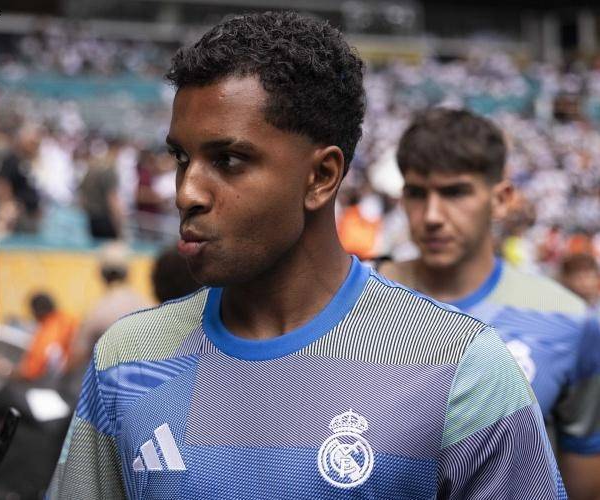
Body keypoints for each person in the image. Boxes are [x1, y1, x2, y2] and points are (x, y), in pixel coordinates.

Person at [49, 12, 565, 499]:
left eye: (228, 160)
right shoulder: (128, 357)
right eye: (182, 158)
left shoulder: (460, 367)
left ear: (321, 177)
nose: (186, 192)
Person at [377, 108, 600, 499]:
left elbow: (581, 479)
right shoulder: (353, 300)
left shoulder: (569, 321)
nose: (432, 216)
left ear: (501, 199)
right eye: (416, 193)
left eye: (455, 192)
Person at [17, 292, 78, 381]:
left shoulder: (49, 331)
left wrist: (8, 372)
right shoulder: (69, 319)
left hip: (61, 379)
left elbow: (32, 369)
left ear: (37, 312)